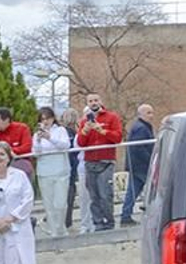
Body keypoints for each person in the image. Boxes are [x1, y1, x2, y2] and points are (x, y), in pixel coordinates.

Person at [76, 92, 123, 231]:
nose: (93, 103)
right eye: (90, 101)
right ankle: (98, 223)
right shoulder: (84, 121)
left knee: (105, 194)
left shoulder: (112, 117)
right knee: (94, 196)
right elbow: (80, 143)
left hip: (106, 161)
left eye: (96, 100)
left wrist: (102, 131)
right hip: (90, 162)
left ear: (100, 101)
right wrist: (85, 131)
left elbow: (118, 137)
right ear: (87, 104)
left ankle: (109, 222)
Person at [33, 107, 74, 237]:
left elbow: (65, 145)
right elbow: (36, 153)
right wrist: (39, 140)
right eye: (42, 119)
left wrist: (50, 137)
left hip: (61, 170)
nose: (45, 121)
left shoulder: (60, 130)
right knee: (48, 204)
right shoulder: (36, 135)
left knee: (60, 203)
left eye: (48, 118)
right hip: (44, 171)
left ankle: (61, 228)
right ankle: (54, 231)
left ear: (53, 118)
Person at [120, 103, 156, 226]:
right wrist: (150, 159)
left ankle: (126, 215)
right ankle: (129, 215)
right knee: (152, 189)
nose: (151, 115)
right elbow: (138, 148)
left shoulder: (140, 126)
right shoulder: (141, 128)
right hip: (141, 166)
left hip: (137, 165)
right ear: (140, 114)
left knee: (133, 191)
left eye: (152, 112)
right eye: (148, 113)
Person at [0, 107, 33, 176]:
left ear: (7, 120)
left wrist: (7, 150)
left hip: (20, 162)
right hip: (1, 164)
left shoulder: (22, 128)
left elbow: (27, 147)